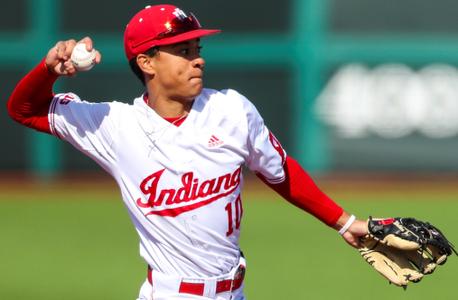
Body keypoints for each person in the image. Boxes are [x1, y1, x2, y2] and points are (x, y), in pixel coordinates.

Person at [7, 4, 368, 300]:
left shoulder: (231, 109)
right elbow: (24, 110)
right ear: (147, 62)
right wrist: (47, 71)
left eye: (197, 50)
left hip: (235, 293)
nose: (197, 60)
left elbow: (281, 171)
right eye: (182, 51)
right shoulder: (114, 126)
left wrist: (346, 223)